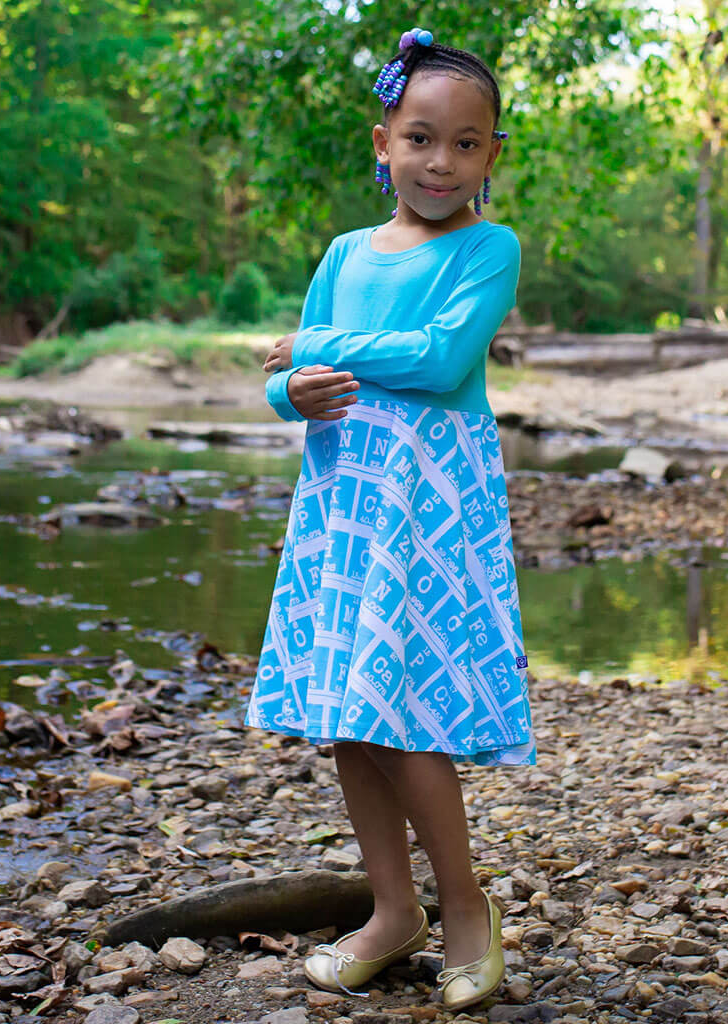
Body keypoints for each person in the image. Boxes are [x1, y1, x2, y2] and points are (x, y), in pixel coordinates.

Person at [246, 26, 534, 1012]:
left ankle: (463, 906)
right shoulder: (343, 252)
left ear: (492, 155)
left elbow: (442, 358)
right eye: (420, 138)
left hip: (431, 506)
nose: (440, 161)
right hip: (342, 502)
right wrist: (293, 389)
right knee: (350, 714)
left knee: (409, 709)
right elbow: (286, 382)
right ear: (382, 145)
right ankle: (390, 908)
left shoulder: (488, 249)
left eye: (465, 143)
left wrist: (317, 341)